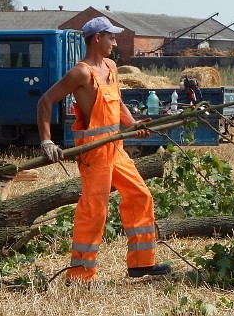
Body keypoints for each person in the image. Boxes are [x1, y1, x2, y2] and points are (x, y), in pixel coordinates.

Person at [37, 16, 170, 283]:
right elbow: (45, 100)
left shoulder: (110, 66)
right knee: (94, 209)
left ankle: (141, 264)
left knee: (141, 195)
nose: (115, 42)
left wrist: (132, 125)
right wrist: (47, 141)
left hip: (116, 148)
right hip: (94, 153)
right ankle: (79, 275)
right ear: (97, 38)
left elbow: (117, 102)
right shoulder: (81, 73)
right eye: (111, 37)